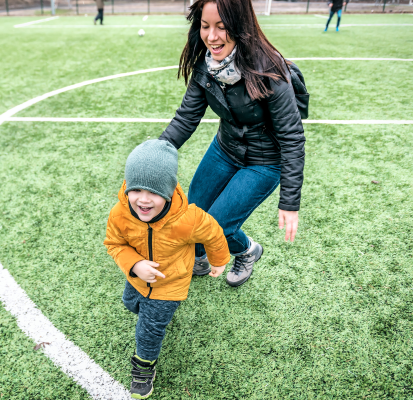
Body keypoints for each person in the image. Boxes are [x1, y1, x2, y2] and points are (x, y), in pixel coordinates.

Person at [158, 0, 305, 288]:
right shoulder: (206, 66)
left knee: (217, 228)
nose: (211, 36)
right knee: (193, 215)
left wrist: (289, 202)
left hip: (264, 162)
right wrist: (152, 156)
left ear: (240, 27)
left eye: (221, 27)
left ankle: (247, 250)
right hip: (224, 150)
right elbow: (185, 119)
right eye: (204, 26)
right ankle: (199, 256)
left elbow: (292, 138)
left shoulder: (270, 69)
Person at [104, 139, 230, 399]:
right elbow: (114, 243)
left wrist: (219, 260)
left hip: (170, 286)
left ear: (170, 191)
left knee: (149, 330)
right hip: (137, 280)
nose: (144, 200)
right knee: (131, 304)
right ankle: (147, 311)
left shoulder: (189, 218)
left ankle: (143, 367)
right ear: (126, 186)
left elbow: (214, 234)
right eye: (136, 189)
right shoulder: (120, 213)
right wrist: (135, 264)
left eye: (154, 192)